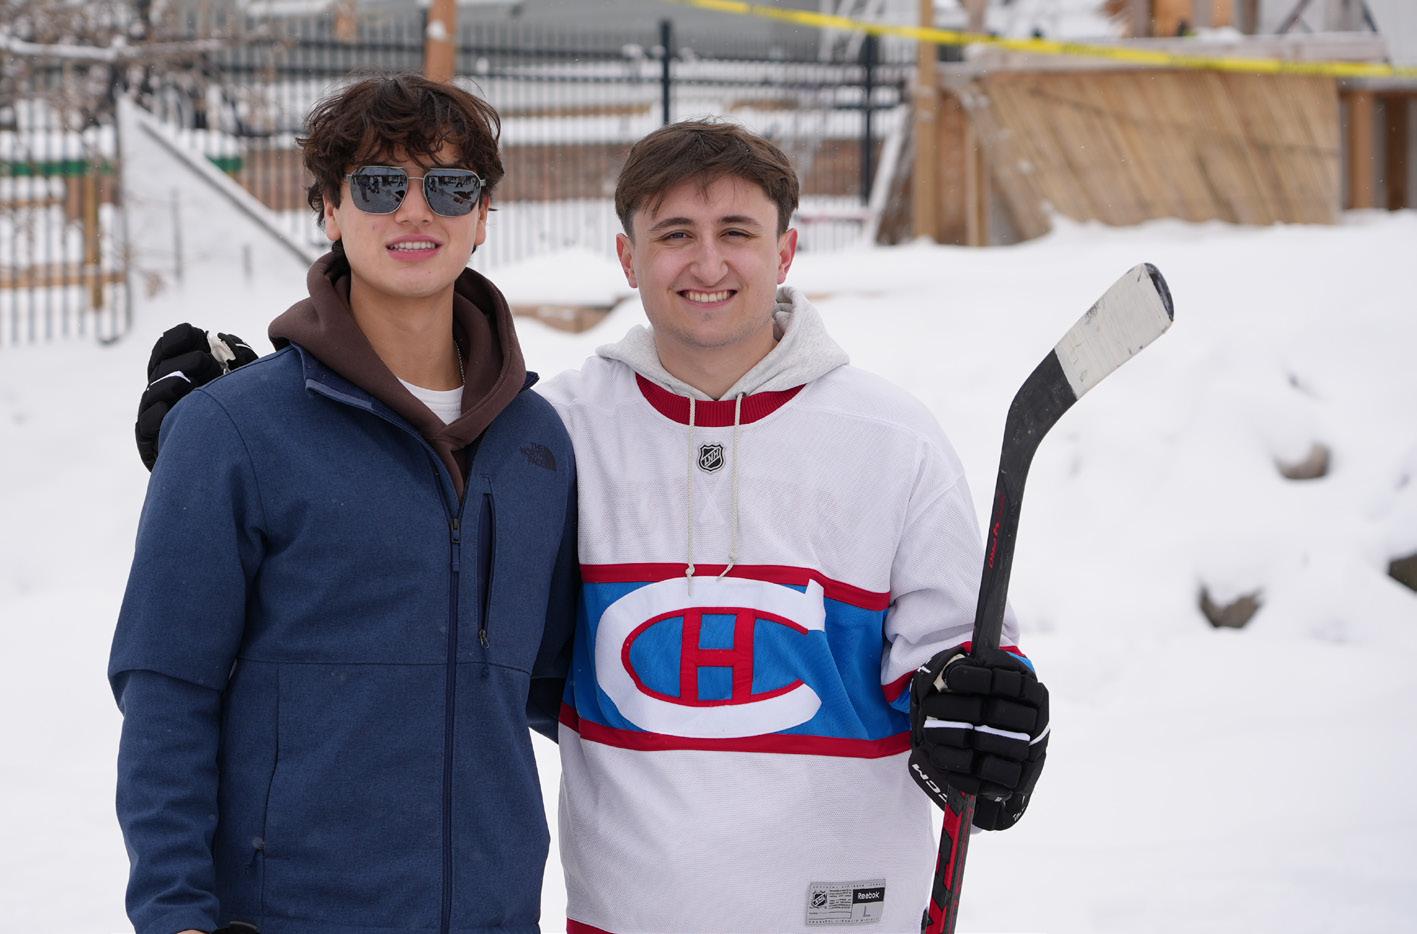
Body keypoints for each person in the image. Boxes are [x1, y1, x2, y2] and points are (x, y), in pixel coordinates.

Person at [137, 120, 1049, 934]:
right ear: (625, 257)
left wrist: (980, 709)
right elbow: (417, 511)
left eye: (736, 232)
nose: (706, 264)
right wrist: (254, 428)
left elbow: (953, 653)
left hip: (842, 911)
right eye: (674, 235)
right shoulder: (553, 433)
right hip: (621, 914)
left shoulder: (892, 438)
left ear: (786, 250)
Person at [110, 74, 577, 934]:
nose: (415, 210)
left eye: (450, 186)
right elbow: (167, 691)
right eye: (378, 184)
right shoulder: (233, 430)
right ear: (328, 208)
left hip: (494, 912)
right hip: (289, 911)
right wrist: (175, 914)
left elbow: (565, 684)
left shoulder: (537, 443)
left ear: (483, 216)